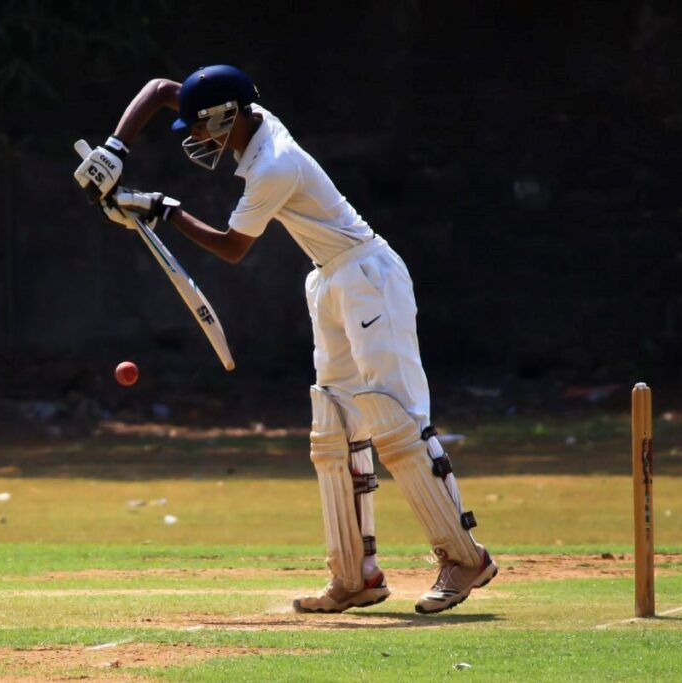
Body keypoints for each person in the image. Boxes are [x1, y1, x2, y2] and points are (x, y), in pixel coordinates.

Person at [73, 65, 496, 614]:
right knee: (334, 430)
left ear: (225, 117)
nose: (196, 140)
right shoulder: (246, 115)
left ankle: (465, 558)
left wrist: (162, 209)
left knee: (396, 422)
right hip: (328, 279)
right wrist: (114, 150)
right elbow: (158, 90)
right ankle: (355, 576)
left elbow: (232, 247)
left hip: (369, 276)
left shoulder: (274, 165)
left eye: (199, 130)